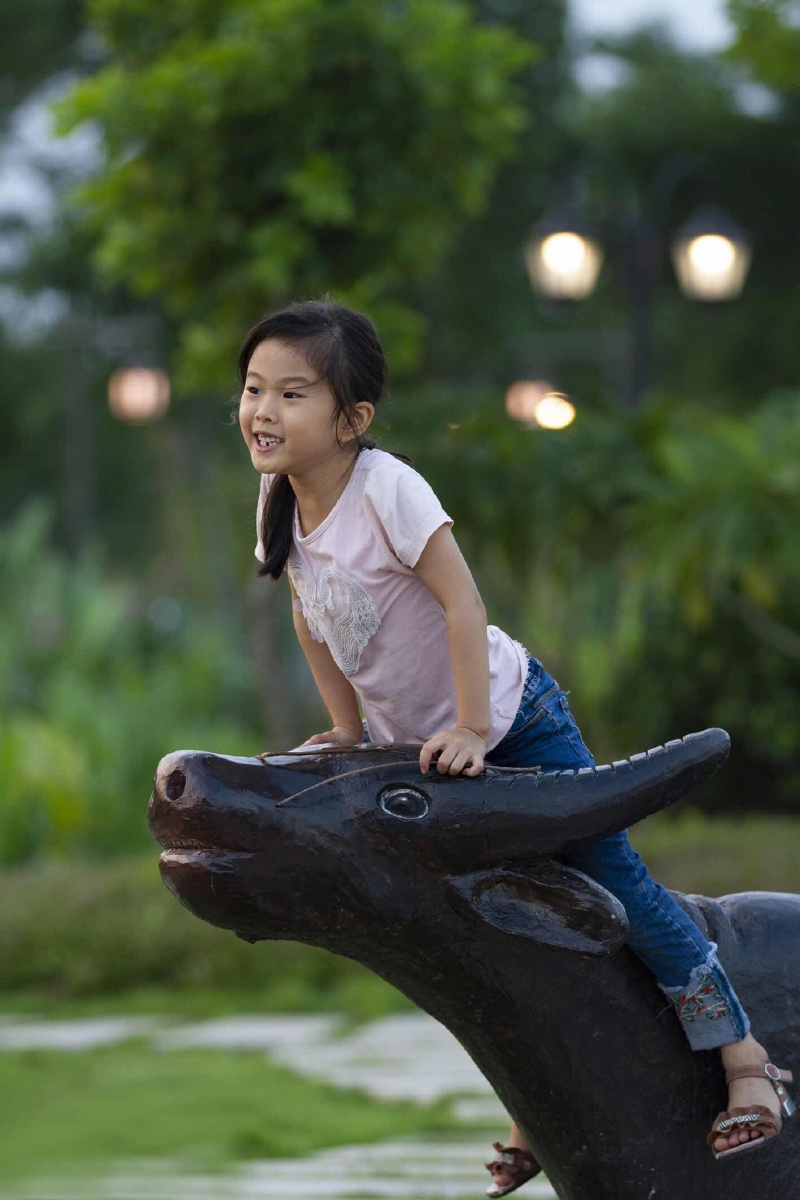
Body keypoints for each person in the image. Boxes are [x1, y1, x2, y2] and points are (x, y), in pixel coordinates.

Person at [238, 298, 794, 1194]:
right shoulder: (280, 499)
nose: (264, 410)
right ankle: (544, 1108)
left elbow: (464, 606)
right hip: (422, 746)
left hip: (508, 721)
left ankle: (744, 1061)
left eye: (292, 394)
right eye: (254, 388)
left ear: (352, 420)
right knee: (500, 917)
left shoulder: (388, 489)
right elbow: (313, 619)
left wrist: (465, 725)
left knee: (612, 886)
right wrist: (347, 730)